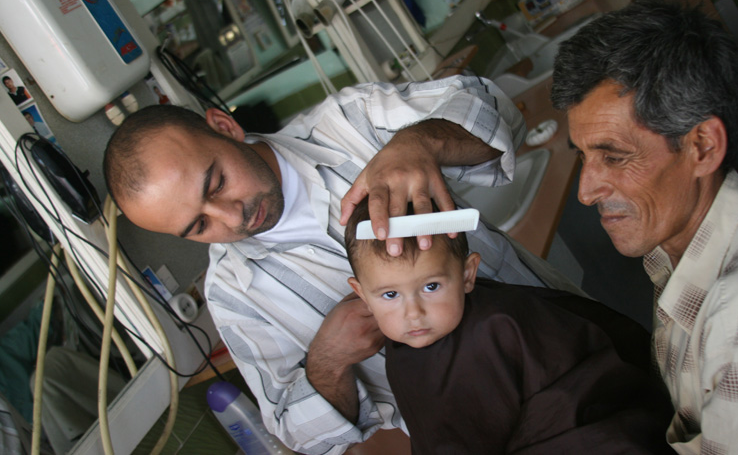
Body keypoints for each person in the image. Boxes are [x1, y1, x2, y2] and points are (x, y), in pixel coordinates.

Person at [103, 76, 579, 453]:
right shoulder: (235, 295)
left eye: (217, 183)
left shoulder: (348, 124)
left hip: (575, 349)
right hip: (488, 441)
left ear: (225, 127)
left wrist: (421, 143)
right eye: (199, 226)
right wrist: (328, 362)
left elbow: (494, 110)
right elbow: (300, 434)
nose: (233, 217)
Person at [550, 0, 738, 453]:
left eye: (614, 156)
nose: (586, 191)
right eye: (583, 156)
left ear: (702, 146)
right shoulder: (682, 250)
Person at [344, 199, 673, 453]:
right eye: (390, 294)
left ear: (468, 275)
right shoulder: (419, 346)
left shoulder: (487, 334)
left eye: (431, 287)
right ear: (362, 295)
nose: (413, 313)